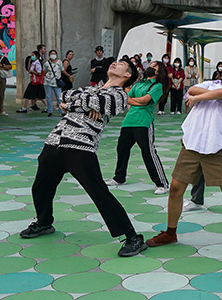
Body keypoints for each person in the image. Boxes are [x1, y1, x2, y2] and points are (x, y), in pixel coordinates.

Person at [20, 59, 146, 257]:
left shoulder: (120, 95)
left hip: (81, 145)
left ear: (127, 75)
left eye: (120, 63)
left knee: (98, 191)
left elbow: (101, 104)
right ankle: (44, 223)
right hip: (55, 141)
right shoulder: (92, 88)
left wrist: (73, 104)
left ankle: (132, 237)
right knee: (40, 186)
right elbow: (65, 94)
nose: (114, 63)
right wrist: (82, 103)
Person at [146, 58, 222, 248]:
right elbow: (192, 90)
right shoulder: (210, 84)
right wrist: (220, 98)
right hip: (192, 143)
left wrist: (200, 98)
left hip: (218, 145)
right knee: (177, 188)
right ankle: (170, 233)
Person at [106, 60, 170, 194]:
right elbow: (129, 96)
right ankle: (119, 177)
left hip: (143, 122)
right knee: (122, 149)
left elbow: (144, 100)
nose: (150, 68)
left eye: (154, 67)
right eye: (150, 66)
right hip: (129, 121)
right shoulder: (140, 84)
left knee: (148, 152)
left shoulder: (157, 86)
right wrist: (128, 98)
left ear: (159, 72)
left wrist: (127, 99)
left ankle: (162, 183)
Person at [43, 50, 65, 116]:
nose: (53, 55)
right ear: (49, 55)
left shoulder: (59, 62)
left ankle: (61, 111)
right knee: (49, 97)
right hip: (48, 82)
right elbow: (44, 72)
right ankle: (50, 111)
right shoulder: (46, 63)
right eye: (52, 54)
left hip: (57, 82)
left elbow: (62, 70)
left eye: (54, 54)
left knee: (59, 97)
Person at [0, 45, 12, 116]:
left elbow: (9, 66)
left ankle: (1, 109)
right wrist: (2, 67)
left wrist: (1, 66)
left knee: (1, 93)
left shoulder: (4, 58)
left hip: (2, 77)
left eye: (0, 49)